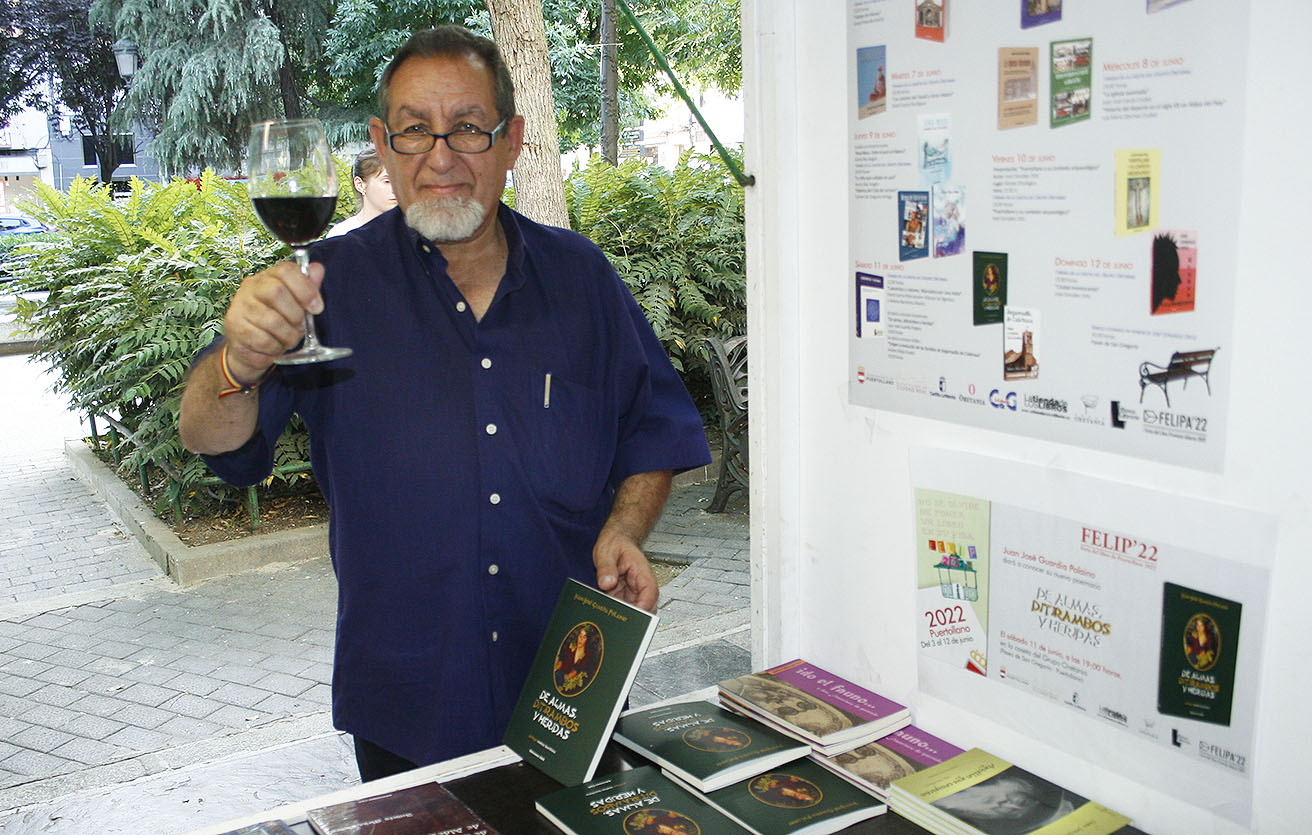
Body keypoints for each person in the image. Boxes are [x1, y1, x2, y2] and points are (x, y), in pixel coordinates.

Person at [178, 24, 710, 781]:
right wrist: (239, 359)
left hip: (571, 681)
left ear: (512, 140)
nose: (440, 156)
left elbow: (653, 430)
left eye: (466, 127)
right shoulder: (323, 286)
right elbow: (211, 437)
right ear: (381, 143)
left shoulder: (583, 279)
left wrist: (626, 526)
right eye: (414, 129)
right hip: (406, 698)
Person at [326, 147, 397, 237]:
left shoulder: (412, 234)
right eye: (387, 181)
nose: (396, 189)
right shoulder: (341, 234)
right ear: (360, 184)